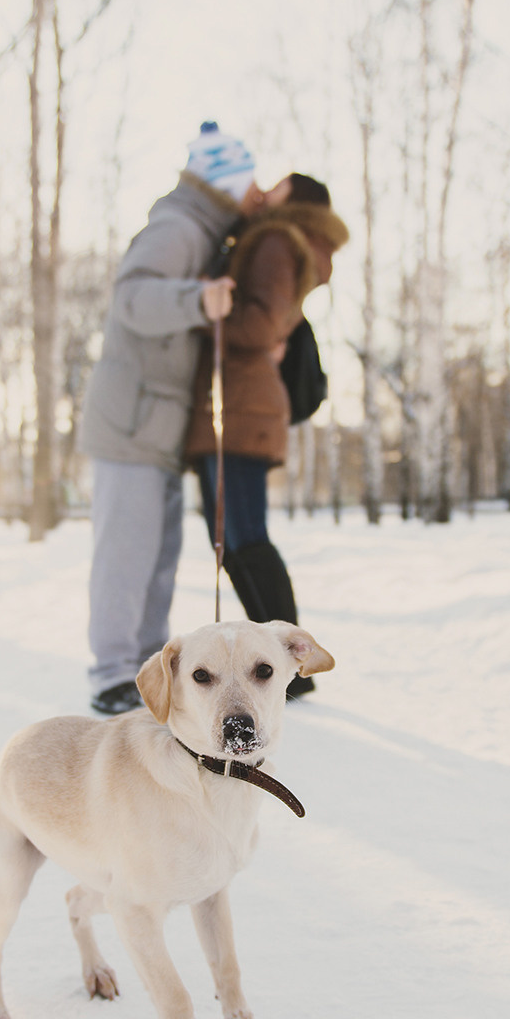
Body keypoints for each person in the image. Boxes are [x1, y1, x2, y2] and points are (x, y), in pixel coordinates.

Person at [78, 123, 283, 717]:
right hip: (133, 422)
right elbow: (133, 297)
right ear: (228, 181)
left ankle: (142, 671)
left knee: (157, 553)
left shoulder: (206, 231)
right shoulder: (178, 227)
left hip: (158, 428)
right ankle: (112, 673)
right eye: (252, 182)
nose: (259, 193)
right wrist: (197, 300)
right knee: (126, 553)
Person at [182, 174, 349, 699]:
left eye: (274, 187)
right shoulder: (278, 240)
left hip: (241, 405)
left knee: (244, 539)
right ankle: (282, 668)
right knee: (234, 541)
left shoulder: (277, 240)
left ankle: (288, 673)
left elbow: (258, 325)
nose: (261, 190)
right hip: (238, 404)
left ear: (292, 201)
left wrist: (200, 311)